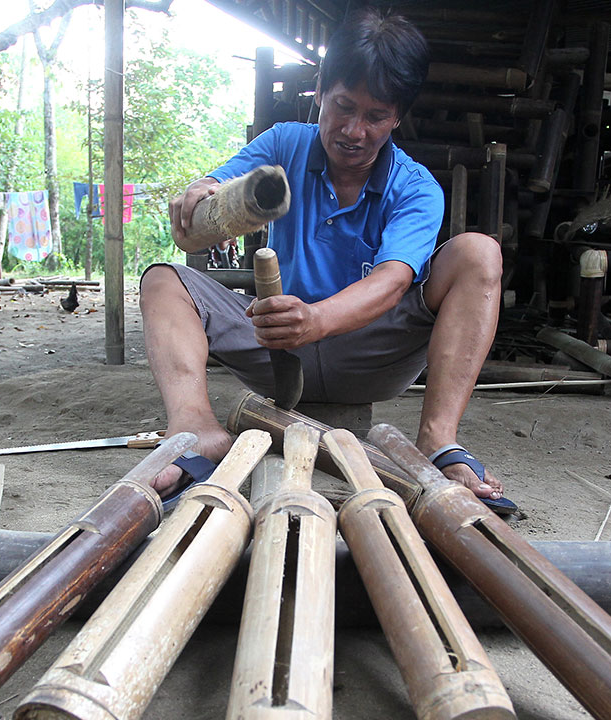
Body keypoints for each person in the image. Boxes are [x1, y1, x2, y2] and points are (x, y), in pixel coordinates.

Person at [140, 8, 513, 512]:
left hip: (370, 353)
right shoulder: (283, 144)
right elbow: (196, 229)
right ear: (319, 91)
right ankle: (197, 430)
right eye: (343, 106)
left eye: (375, 116)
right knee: (163, 280)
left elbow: (392, 282)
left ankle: (438, 442)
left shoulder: (416, 186)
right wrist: (202, 193)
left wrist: (314, 319)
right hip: (276, 345)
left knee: (478, 252)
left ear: (397, 116)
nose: (354, 130)